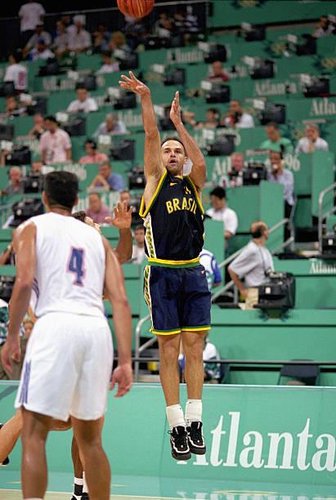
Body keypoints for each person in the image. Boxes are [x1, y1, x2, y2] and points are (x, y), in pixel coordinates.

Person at [1, 170, 132, 500]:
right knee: (92, 440)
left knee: (33, 433)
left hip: (55, 325)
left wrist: (12, 336)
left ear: (44, 198)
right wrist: (127, 359)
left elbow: (22, 280)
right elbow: (120, 297)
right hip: (95, 330)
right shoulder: (96, 239)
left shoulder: (31, 228)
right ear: (78, 200)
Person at [120, 71, 211, 461]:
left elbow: (201, 163)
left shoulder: (194, 183)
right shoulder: (155, 180)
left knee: (196, 348)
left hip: (193, 270)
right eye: (168, 152)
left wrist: (180, 125)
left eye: (178, 152)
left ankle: (194, 420)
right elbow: (151, 137)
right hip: (161, 272)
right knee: (168, 347)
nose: (172, 154)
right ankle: (175, 425)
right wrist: (145, 98)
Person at [228, 221, 274, 309]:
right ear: (263, 232)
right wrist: (242, 289)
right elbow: (232, 269)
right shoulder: (251, 250)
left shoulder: (264, 250)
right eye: (267, 229)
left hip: (266, 291)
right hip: (254, 292)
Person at [267, 149, 295, 226]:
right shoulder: (268, 175)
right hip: (271, 204)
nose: (273, 161)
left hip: (285, 204)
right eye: (271, 159)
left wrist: (278, 174)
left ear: (281, 161)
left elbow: (286, 192)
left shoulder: (288, 175)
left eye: (276, 159)